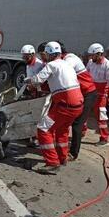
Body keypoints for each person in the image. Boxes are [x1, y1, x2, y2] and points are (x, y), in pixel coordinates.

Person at [25, 41, 84, 174]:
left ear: (49, 53)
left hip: (65, 105)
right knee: (62, 130)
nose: (43, 56)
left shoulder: (51, 65)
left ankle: (52, 162)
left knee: (43, 129)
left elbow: (37, 80)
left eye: (44, 54)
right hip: (78, 105)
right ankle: (62, 158)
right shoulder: (66, 64)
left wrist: (29, 82)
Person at [58, 42, 97, 160]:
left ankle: (74, 153)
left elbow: (62, 72)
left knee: (76, 125)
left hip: (88, 94)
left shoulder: (70, 59)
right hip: (81, 94)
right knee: (76, 120)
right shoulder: (65, 59)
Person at [85, 43, 109, 146]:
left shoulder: (108, 65)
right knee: (83, 112)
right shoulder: (90, 62)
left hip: (101, 94)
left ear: (99, 54)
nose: (90, 57)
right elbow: (86, 75)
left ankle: (104, 138)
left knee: (101, 116)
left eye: (92, 55)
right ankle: (81, 132)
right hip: (90, 92)